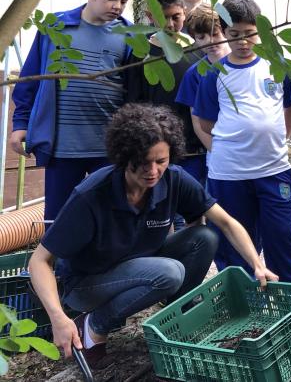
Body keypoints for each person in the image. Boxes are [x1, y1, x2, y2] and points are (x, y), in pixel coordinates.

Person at [28, 103, 277, 369]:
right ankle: (94, 324)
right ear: (125, 157)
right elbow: (39, 261)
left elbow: (226, 223)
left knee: (204, 238)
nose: (153, 171)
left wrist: (257, 265)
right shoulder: (92, 195)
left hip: (139, 264)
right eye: (143, 163)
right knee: (169, 272)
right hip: (87, 284)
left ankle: (174, 318)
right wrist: (57, 318)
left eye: (161, 161)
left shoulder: (173, 179)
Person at [10, 0, 134, 221]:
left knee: (110, 219)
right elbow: (31, 78)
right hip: (62, 147)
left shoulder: (129, 35)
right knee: (57, 220)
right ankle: (51, 264)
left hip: (108, 148)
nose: (117, 6)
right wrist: (20, 123)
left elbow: (135, 92)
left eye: (123, 1)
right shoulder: (55, 27)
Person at [192, 0, 291, 283]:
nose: (242, 41)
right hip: (229, 174)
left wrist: (274, 137)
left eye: (250, 34)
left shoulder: (276, 65)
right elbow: (206, 121)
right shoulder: (213, 73)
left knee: (281, 236)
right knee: (234, 243)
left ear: (261, 30)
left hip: (273, 170)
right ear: (224, 33)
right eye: (234, 35)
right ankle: (244, 306)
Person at [124, 0, 206, 185]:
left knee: (192, 208)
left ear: (184, 12)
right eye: (162, 17)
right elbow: (133, 104)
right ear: (150, 16)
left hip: (193, 151)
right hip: (154, 153)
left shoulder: (199, 52)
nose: (169, 24)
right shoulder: (140, 54)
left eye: (175, 17)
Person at [174, 3, 232, 180]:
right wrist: (217, 151)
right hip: (219, 153)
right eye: (201, 37)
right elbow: (198, 123)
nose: (210, 41)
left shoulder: (247, 64)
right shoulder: (194, 74)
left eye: (215, 34)